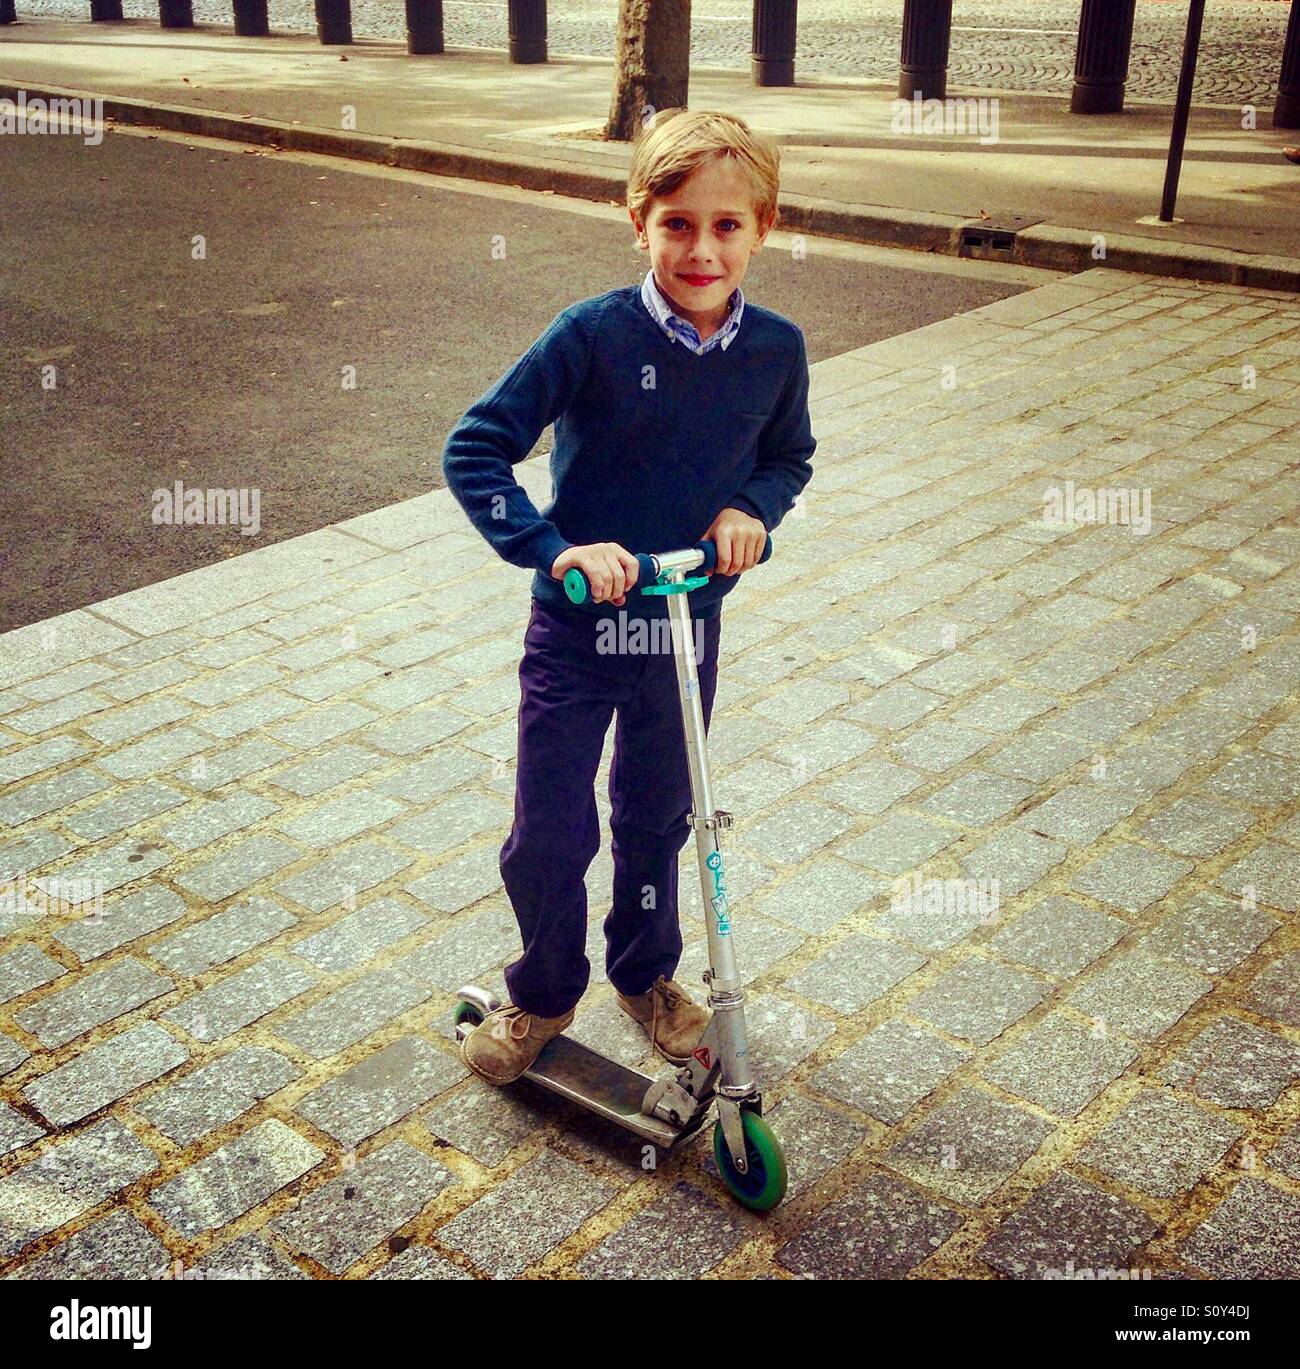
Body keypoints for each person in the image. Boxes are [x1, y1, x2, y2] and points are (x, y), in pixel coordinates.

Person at [442, 108, 816, 1085]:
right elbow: (475, 446)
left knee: (657, 816)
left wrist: (752, 511)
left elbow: (787, 457)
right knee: (550, 828)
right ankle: (544, 986)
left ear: (762, 228)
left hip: (683, 628)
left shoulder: (776, 349)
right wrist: (553, 547)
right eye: (678, 223)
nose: (701, 248)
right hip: (577, 629)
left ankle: (643, 973)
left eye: (726, 226)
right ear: (637, 220)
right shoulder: (591, 336)